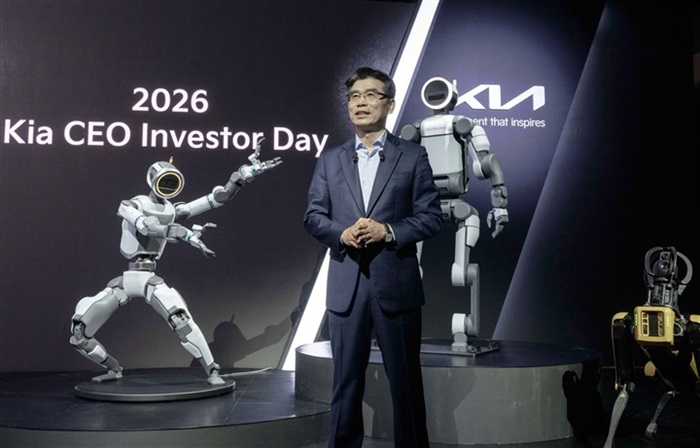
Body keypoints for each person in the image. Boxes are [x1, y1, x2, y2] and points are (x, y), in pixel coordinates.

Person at [304, 67, 443, 448]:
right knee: (345, 382)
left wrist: (388, 231)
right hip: (346, 286)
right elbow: (313, 216)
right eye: (354, 96)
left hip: (395, 284)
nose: (360, 103)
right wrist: (340, 233)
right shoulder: (331, 159)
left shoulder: (412, 156)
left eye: (370, 95)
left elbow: (431, 217)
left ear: (389, 104)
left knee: (405, 382)